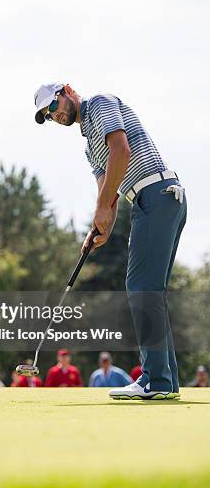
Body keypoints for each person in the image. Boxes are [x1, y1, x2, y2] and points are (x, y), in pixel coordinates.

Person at [34, 83, 186, 400]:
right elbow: (109, 191)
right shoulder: (90, 145)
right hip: (152, 200)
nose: (55, 115)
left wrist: (105, 207)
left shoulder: (101, 104)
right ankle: (166, 382)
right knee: (150, 291)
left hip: (156, 193)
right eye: (48, 116)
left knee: (142, 288)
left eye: (53, 105)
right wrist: (99, 226)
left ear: (67, 91)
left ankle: (154, 381)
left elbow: (121, 150)